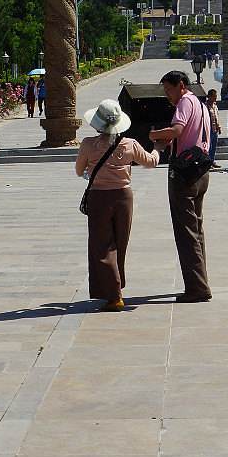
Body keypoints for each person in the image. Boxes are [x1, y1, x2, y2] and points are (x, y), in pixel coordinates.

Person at [75, 99, 159, 312]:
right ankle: (115, 288)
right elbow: (151, 162)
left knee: (102, 246)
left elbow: (79, 171)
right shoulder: (129, 144)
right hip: (124, 197)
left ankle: (114, 295)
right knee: (119, 244)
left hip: (99, 198)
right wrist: (159, 147)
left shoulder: (87, 144)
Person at [148, 71, 211, 303]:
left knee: (186, 232)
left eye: (168, 90)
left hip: (185, 173)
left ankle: (197, 288)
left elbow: (177, 130)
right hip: (201, 171)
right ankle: (201, 280)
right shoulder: (200, 104)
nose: (167, 96)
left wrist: (154, 134)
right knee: (197, 229)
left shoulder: (185, 102)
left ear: (181, 85)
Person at [204, 89, 221, 163]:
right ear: (210, 97)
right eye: (214, 96)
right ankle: (208, 162)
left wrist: (219, 127)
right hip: (209, 128)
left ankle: (212, 161)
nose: (215, 98)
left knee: (214, 146)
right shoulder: (205, 106)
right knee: (209, 146)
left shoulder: (215, 106)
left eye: (216, 96)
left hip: (215, 128)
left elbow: (217, 116)